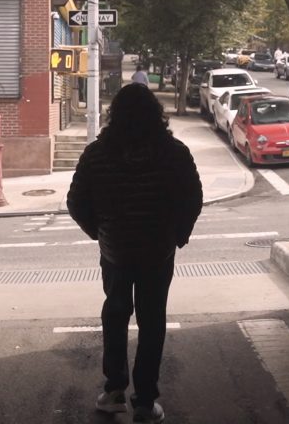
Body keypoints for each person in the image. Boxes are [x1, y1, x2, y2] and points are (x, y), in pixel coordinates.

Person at [67, 83, 203, 423]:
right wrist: (178, 234)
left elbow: (75, 201)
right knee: (152, 320)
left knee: (115, 315)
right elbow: (192, 197)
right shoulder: (174, 153)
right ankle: (144, 400)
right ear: (155, 115)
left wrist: (99, 233)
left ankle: (114, 390)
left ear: (116, 116)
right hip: (157, 251)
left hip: (115, 251)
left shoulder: (97, 154)